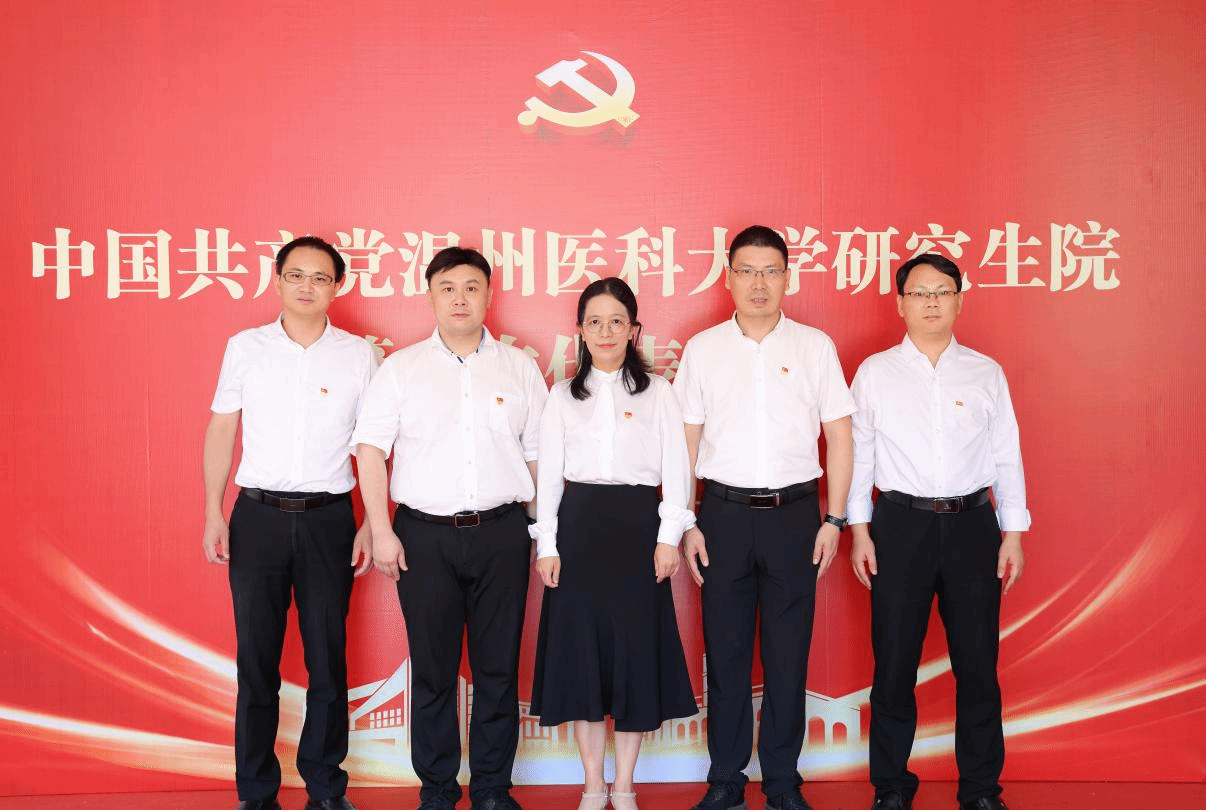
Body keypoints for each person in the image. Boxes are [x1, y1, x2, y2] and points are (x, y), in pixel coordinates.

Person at [351, 246, 547, 810]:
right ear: (431, 295)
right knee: (433, 670)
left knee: (497, 669)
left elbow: (538, 453)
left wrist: (542, 533)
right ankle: (437, 790)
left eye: (471, 287)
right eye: (447, 288)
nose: (460, 298)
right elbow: (370, 450)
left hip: (502, 532)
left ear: (489, 294)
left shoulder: (518, 367)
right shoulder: (401, 369)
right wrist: (381, 529)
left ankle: (491, 789)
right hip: (423, 536)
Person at [674, 225, 856, 810]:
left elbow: (840, 435)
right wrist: (686, 521)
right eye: (747, 271)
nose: (759, 283)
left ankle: (781, 780)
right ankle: (726, 778)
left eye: (771, 271)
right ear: (728, 278)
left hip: (795, 516)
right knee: (724, 653)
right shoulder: (704, 349)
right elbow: (685, 442)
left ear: (787, 278)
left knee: (788, 654)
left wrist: (835, 520)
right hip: (722, 516)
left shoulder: (814, 347)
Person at [847, 253, 1029, 810]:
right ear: (900, 304)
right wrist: (859, 529)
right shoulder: (875, 372)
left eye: (942, 292)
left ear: (959, 300)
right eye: (920, 293)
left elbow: (1007, 455)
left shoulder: (985, 372)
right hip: (899, 525)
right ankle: (890, 788)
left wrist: (1013, 532)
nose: (931, 302)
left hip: (973, 525)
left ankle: (981, 790)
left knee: (978, 667)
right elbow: (860, 455)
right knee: (893, 666)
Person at [201, 235, 376, 810]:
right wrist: (214, 510)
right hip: (257, 518)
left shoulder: (358, 355)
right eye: (296, 275)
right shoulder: (246, 347)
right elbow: (222, 427)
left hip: (330, 519)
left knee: (328, 657)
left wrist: (372, 523)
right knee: (256, 660)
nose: (307, 286)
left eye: (320, 277)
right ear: (277, 280)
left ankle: (325, 788)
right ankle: (256, 792)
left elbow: (373, 445)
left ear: (337, 286)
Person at [529, 277, 698, 810]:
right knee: (582, 661)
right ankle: (592, 786)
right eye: (595, 322)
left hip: (639, 531)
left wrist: (669, 537)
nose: (605, 332)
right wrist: (546, 543)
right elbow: (549, 477)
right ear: (580, 330)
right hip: (578, 532)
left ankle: (624, 787)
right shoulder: (562, 395)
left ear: (634, 330)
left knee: (634, 658)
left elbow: (677, 469)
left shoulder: (659, 393)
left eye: (617, 322)